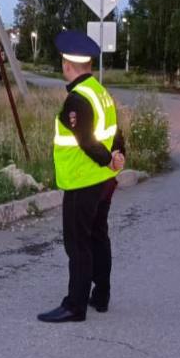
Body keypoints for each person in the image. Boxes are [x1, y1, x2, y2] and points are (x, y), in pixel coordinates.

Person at [38, 31, 126, 324]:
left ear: (67, 65)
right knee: (99, 236)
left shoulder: (77, 99)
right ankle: (101, 295)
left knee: (77, 244)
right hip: (103, 182)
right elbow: (115, 131)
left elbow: (86, 140)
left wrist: (109, 158)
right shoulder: (101, 92)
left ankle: (75, 305)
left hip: (82, 181)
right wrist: (119, 154)